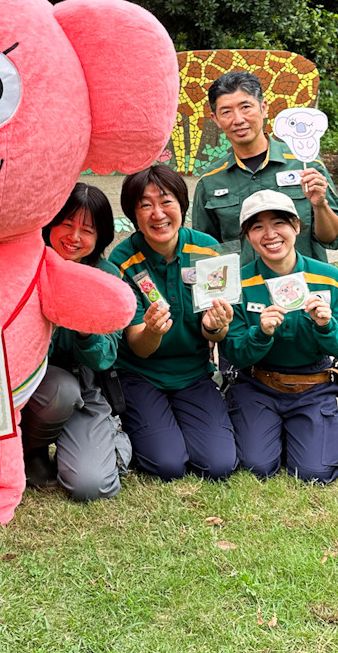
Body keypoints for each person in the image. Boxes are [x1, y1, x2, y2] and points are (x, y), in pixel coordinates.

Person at [108, 165, 237, 481]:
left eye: (166, 201)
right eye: (144, 205)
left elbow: (216, 331)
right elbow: (139, 347)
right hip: (141, 375)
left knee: (218, 465)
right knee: (167, 465)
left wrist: (216, 325)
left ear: (182, 205)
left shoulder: (207, 250)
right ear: (133, 215)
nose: (157, 213)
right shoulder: (122, 261)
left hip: (194, 373)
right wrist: (152, 330)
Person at [225, 190, 338, 483]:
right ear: (248, 236)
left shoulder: (328, 277)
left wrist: (326, 325)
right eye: (257, 227)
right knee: (257, 466)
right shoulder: (239, 283)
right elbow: (234, 351)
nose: (270, 234)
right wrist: (260, 333)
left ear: (297, 226)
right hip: (257, 384)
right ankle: (271, 430)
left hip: (312, 386)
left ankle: (306, 431)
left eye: (279, 223)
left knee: (315, 473)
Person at [21, 183, 132, 501]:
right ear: (50, 223)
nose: (74, 237)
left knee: (91, 485)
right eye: (66, 224)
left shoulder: (107, 277)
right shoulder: (26, 264)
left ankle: (114, 441)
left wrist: (85, 328)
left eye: (87, 229)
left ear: (101, 237)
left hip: (84, 383)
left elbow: (104, 358)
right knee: (58, 389)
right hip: (26, 377)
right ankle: (31, 452)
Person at [193, 70, 338, 264]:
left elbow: (335, 239)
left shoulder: (306, 164)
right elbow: (206, 253)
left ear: (264, 108)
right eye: (226, 112)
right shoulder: (210, 181)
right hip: (246, 291)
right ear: (216, 119)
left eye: (246, 107)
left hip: (304, 288)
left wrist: (320, 206)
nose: (238, 119)